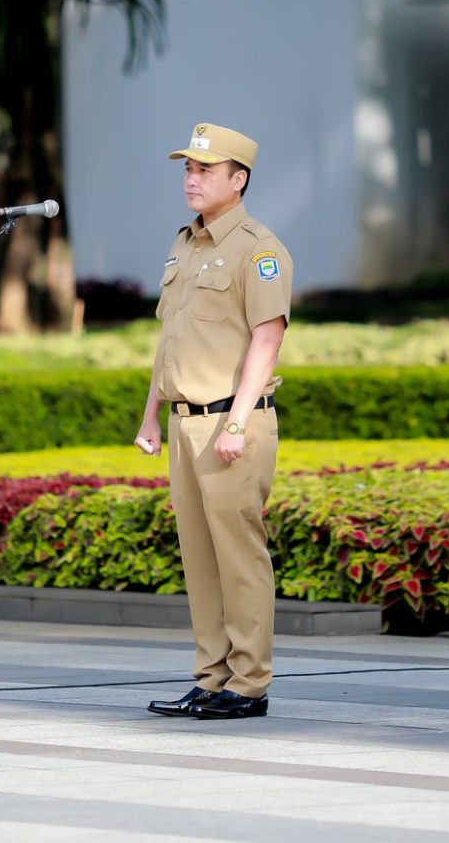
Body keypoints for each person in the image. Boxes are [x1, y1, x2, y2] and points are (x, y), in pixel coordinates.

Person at [135, 121, 293, 720]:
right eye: (188, 169)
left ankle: (248, 683)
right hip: (183, 422)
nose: (192, 179)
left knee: (239, 555)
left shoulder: (260, 249)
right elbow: (169, 340)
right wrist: (152, 415)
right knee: (200, 559)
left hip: (232, 423)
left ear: (239, 178)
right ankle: (211, 677)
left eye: (205, 169)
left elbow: (266, 340)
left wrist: (236, 423)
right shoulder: (185, 244)